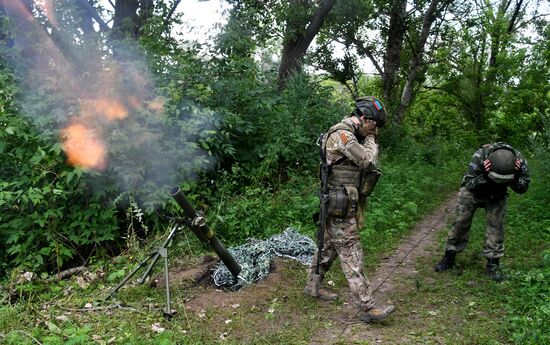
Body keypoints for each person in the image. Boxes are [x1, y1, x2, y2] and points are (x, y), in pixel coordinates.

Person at [304, 96, 395, 322]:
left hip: (340, 201)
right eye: (373, 126)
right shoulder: (343, 135)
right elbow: (368, 162)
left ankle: (312, 287)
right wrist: (372, 140)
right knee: (352, 253)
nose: (374, 130)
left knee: (327, 248)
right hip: (339, 205)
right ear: (364, 119)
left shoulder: (350, 133)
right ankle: (367, 308)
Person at [435, 142, 530, 281]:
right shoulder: (480, 157)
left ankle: (493, 263)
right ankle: (449, 255)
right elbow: (469, 184)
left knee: (496, 226)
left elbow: (523, 188)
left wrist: (514, 177)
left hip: (497, 195)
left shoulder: (520, 162)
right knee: (461, 222)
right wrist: (485, 175)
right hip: (472, 192)